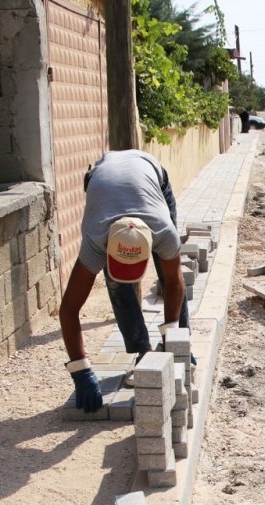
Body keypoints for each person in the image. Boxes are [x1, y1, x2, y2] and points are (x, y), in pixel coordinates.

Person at [60, 150, 190, 413]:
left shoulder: (164, 233)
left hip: (152, 177)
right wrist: (80, 369)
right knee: (117, 286)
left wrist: (175, 339)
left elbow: (175, 283)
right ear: (107, 248)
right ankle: (143, 351)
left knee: (167, 271)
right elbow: (69, 309)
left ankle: (181, 351)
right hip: (103, 180)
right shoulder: (96, 239)